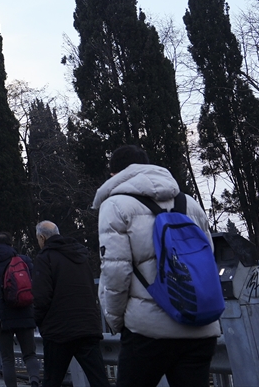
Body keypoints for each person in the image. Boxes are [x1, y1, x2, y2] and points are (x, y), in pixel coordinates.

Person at [92, 145, 219, 387]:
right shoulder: (189, 203)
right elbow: (208, 258)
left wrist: (117, 320)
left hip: (148, 331)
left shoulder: (116, 205)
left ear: (114, 175)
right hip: (198, 326)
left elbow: (116, 272)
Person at [31, 221, 110, 387]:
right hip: (87, 326)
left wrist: (38, 321)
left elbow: (41, 296)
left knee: (52, 380)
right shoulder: (80, 255)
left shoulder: (45, 258)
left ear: (42, 237)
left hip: (58, 331)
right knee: (99, 379)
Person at [0, 232, 40, 387]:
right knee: (30, 354)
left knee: (7, 359)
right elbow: (36, 284)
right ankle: (34, 380)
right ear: (11, 244)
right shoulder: (23, 260)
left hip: (1, 318)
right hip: (24, 313)